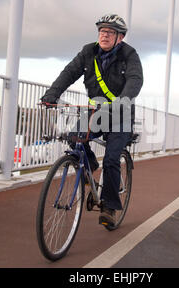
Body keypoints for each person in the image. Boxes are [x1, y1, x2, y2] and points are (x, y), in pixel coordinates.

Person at [40, 14, 143, 228]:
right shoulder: (89, 52)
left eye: (110, 32)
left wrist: (122, 101)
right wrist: (52, 94)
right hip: (97, 112)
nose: (104, 35)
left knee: (112, 160)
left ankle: (109, 207)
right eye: (102, 31)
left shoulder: (130, 55)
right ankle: (89, 166)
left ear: (120, 37)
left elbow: (135, 80)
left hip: (120, 115)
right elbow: (69, 72)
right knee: (74, 139)